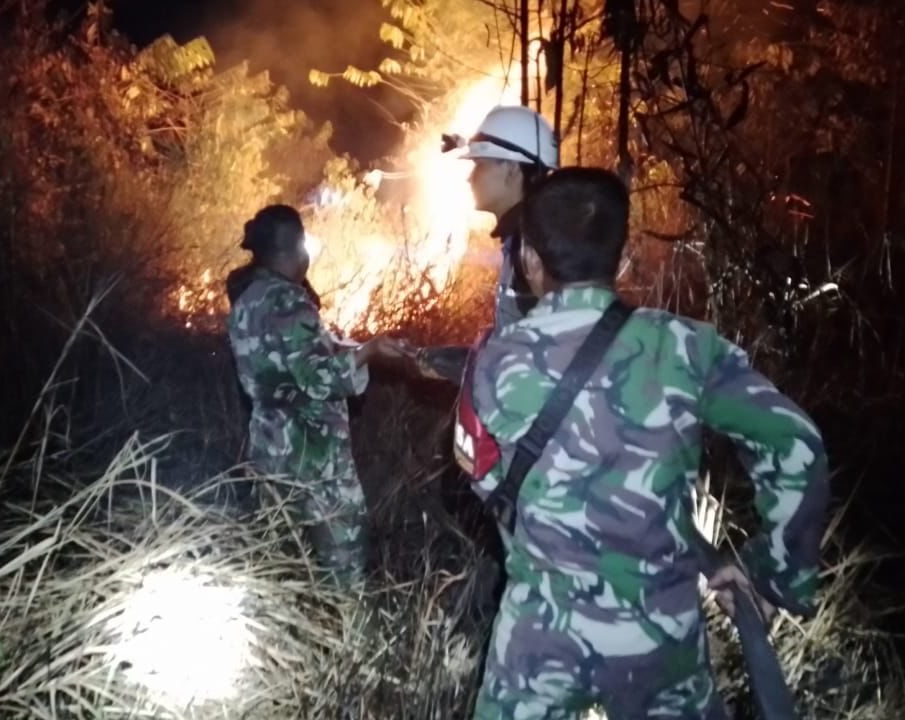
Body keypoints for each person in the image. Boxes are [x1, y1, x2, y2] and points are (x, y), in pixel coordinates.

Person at [453, 168, 830, 719]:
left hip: (538, 639)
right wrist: (772, 575)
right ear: (622, 255)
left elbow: (479, 474)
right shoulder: (686, 347)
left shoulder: (492, 360)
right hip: (660, 637)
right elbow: (796, 444)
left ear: (529, 258)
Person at [226, 204, 408, 591]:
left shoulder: (247, 299)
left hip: (270, 452)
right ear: (294, 249)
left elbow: (286, 364)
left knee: (280, 570)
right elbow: (319, 380)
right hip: (315, 460)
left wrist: (336, 345)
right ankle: (349, 643)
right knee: (343, 575)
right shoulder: (289, 301)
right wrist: (369, 351)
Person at [414, 104, 561, 383]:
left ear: (513, 170)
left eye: (480, 165)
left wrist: (459, 365)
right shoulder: (523, 239)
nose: (470, 177)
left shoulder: (534, 252)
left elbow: (541, 361)